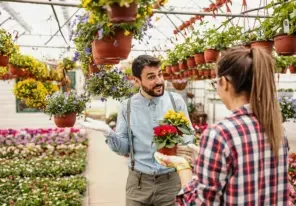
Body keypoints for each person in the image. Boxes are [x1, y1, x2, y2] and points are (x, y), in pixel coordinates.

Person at [155, 47, 289, 205]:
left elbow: (198, 203)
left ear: (225, 83)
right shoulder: (277, 130)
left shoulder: (220, 134)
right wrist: (202, 155)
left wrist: (182, 165)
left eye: (215, 82)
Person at [79, 55, 196, 206]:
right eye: (151, 77)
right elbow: (124, 149)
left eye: (160, 74)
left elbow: (188, 136)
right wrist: (109, 133)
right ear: (137, 81)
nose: (159, 81)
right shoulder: (127, 107)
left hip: (171, 183)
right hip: (139, 185)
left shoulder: (176, 101)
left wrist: (186, 148)